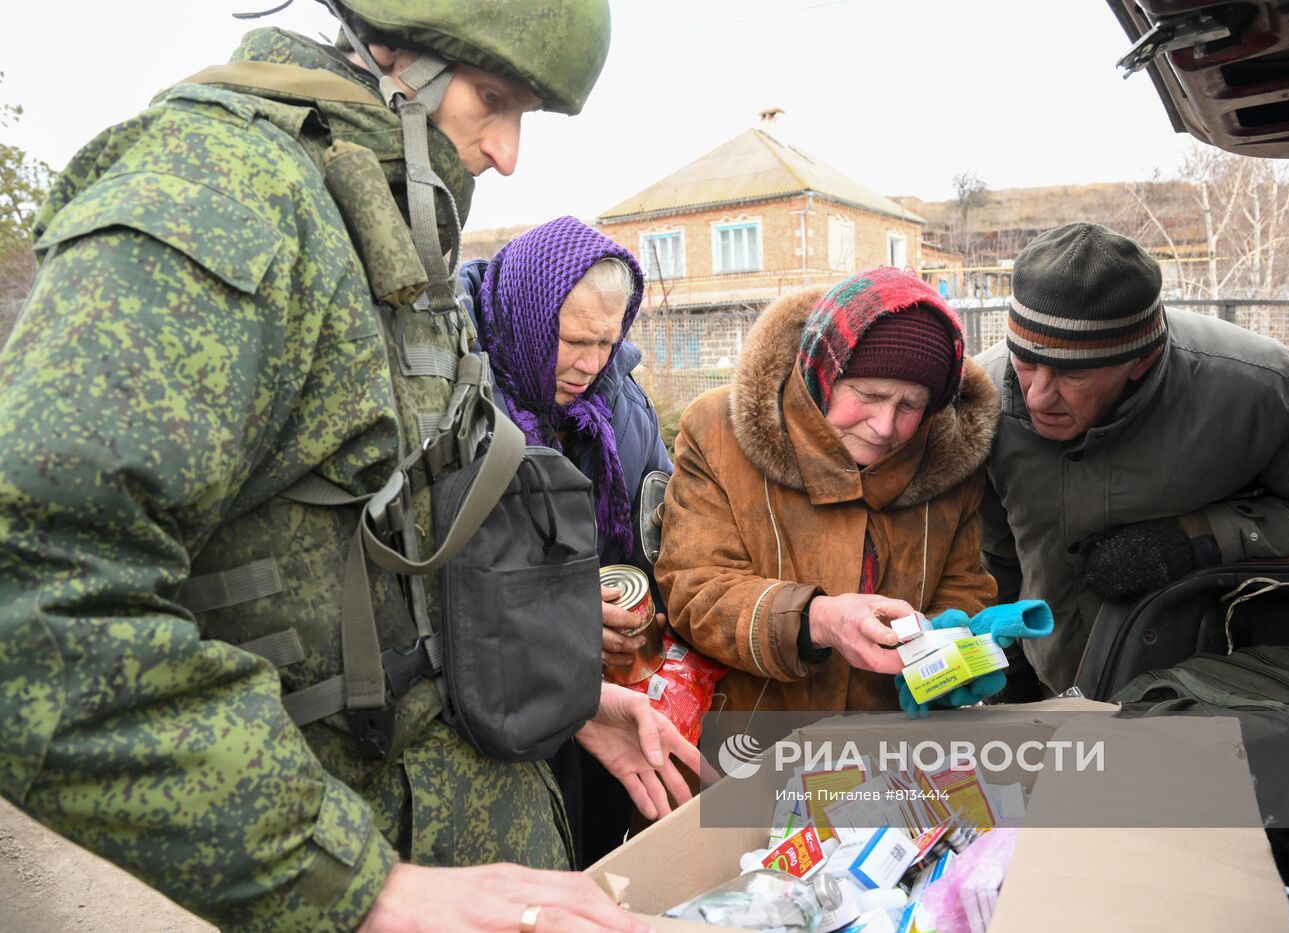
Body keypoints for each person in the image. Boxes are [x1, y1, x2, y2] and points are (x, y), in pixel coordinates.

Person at [0, 3, 690, 931]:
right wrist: (357, 885)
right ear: (392, 50)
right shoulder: (219, 192)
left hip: (482, 823)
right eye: (493, 101)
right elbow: (34, 604)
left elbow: (389, 545)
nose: (507, 152)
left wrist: (566, 699)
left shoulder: (376, 205)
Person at [976, 222, 1289, 695]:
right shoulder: (979, 398)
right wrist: (1005, 674)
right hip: (1048, 695)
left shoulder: (1270, 393)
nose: (1036, 396)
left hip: (1204, 697)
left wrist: (1200, 539)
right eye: (1026, 361)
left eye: (1072, 375)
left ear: (1141, 358)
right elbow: (990, 559)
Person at [656, 266, 1000, 713]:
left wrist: (941, 650)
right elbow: (695, 588)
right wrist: (816, 619)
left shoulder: (946, 454)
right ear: (822, 373)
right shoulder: (719, 431)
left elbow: (964, 587)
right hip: (756, 733)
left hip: (893, 739)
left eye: (910, 405)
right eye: (869, 394)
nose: (885, 426)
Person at [457, 215, 676, 867]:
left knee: (597, 858)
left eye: (609, 342)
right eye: (575, 340)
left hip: (605, 700)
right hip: (496, 718)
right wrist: (565, 614)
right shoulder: (455, 410)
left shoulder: (623, 413)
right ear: (527, 316)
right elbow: (449, 579)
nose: (590, 364)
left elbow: (654, 543)